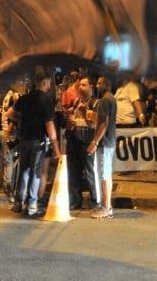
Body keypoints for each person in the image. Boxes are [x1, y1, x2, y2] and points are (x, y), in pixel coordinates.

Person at [10, 69, 61, 216]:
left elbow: (10, 113)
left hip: (24, 139)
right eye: (49, 83)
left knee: (23, 171)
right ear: (44, 83)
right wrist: (56, 148)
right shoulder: (46, 100)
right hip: (38, 142)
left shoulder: (25, 98)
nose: (50, 86)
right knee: (36, 173)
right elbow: (50, 126)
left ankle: (18, 203)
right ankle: (32, 204)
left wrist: (24, 122)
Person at [64, 75, 99, 210]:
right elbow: (71, 116)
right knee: (73, 172)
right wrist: (69, 116)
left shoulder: (96, 103)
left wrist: (84, 112)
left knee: (90, 172)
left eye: (84, 85)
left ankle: (96, 201)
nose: (80, 87)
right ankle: (76, 201)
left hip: (86, 141)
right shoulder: (77, 101)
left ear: (92, 86)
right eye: (79, 85)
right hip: (74, 140)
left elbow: (93, 123)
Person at [87, 75, 117, 219]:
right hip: (108, 142)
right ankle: (106, 206)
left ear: (106, 84)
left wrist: (95, 142)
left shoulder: (105, 100)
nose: (97, 86)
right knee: (105, 174)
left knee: (104, 175)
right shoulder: (111, 98)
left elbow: (104, 124)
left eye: (99, 83)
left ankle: (106, 207)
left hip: (105, 143)